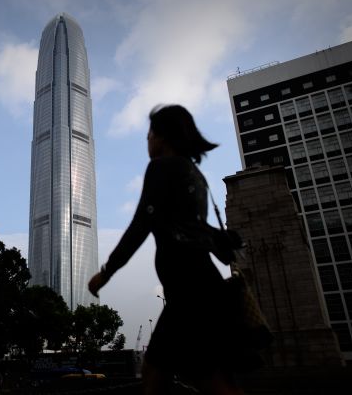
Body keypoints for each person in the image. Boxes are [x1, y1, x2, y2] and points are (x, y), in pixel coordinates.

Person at [88, 105, 244, 395]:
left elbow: (141, 223)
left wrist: (107, 272)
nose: (147, 140)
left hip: (187, 288)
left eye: (149, 133)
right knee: (161, 373)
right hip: (199, 284)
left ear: (162, 137)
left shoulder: (161, 167)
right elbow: (195, 228)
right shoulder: (195, 174)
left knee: (207, 381)